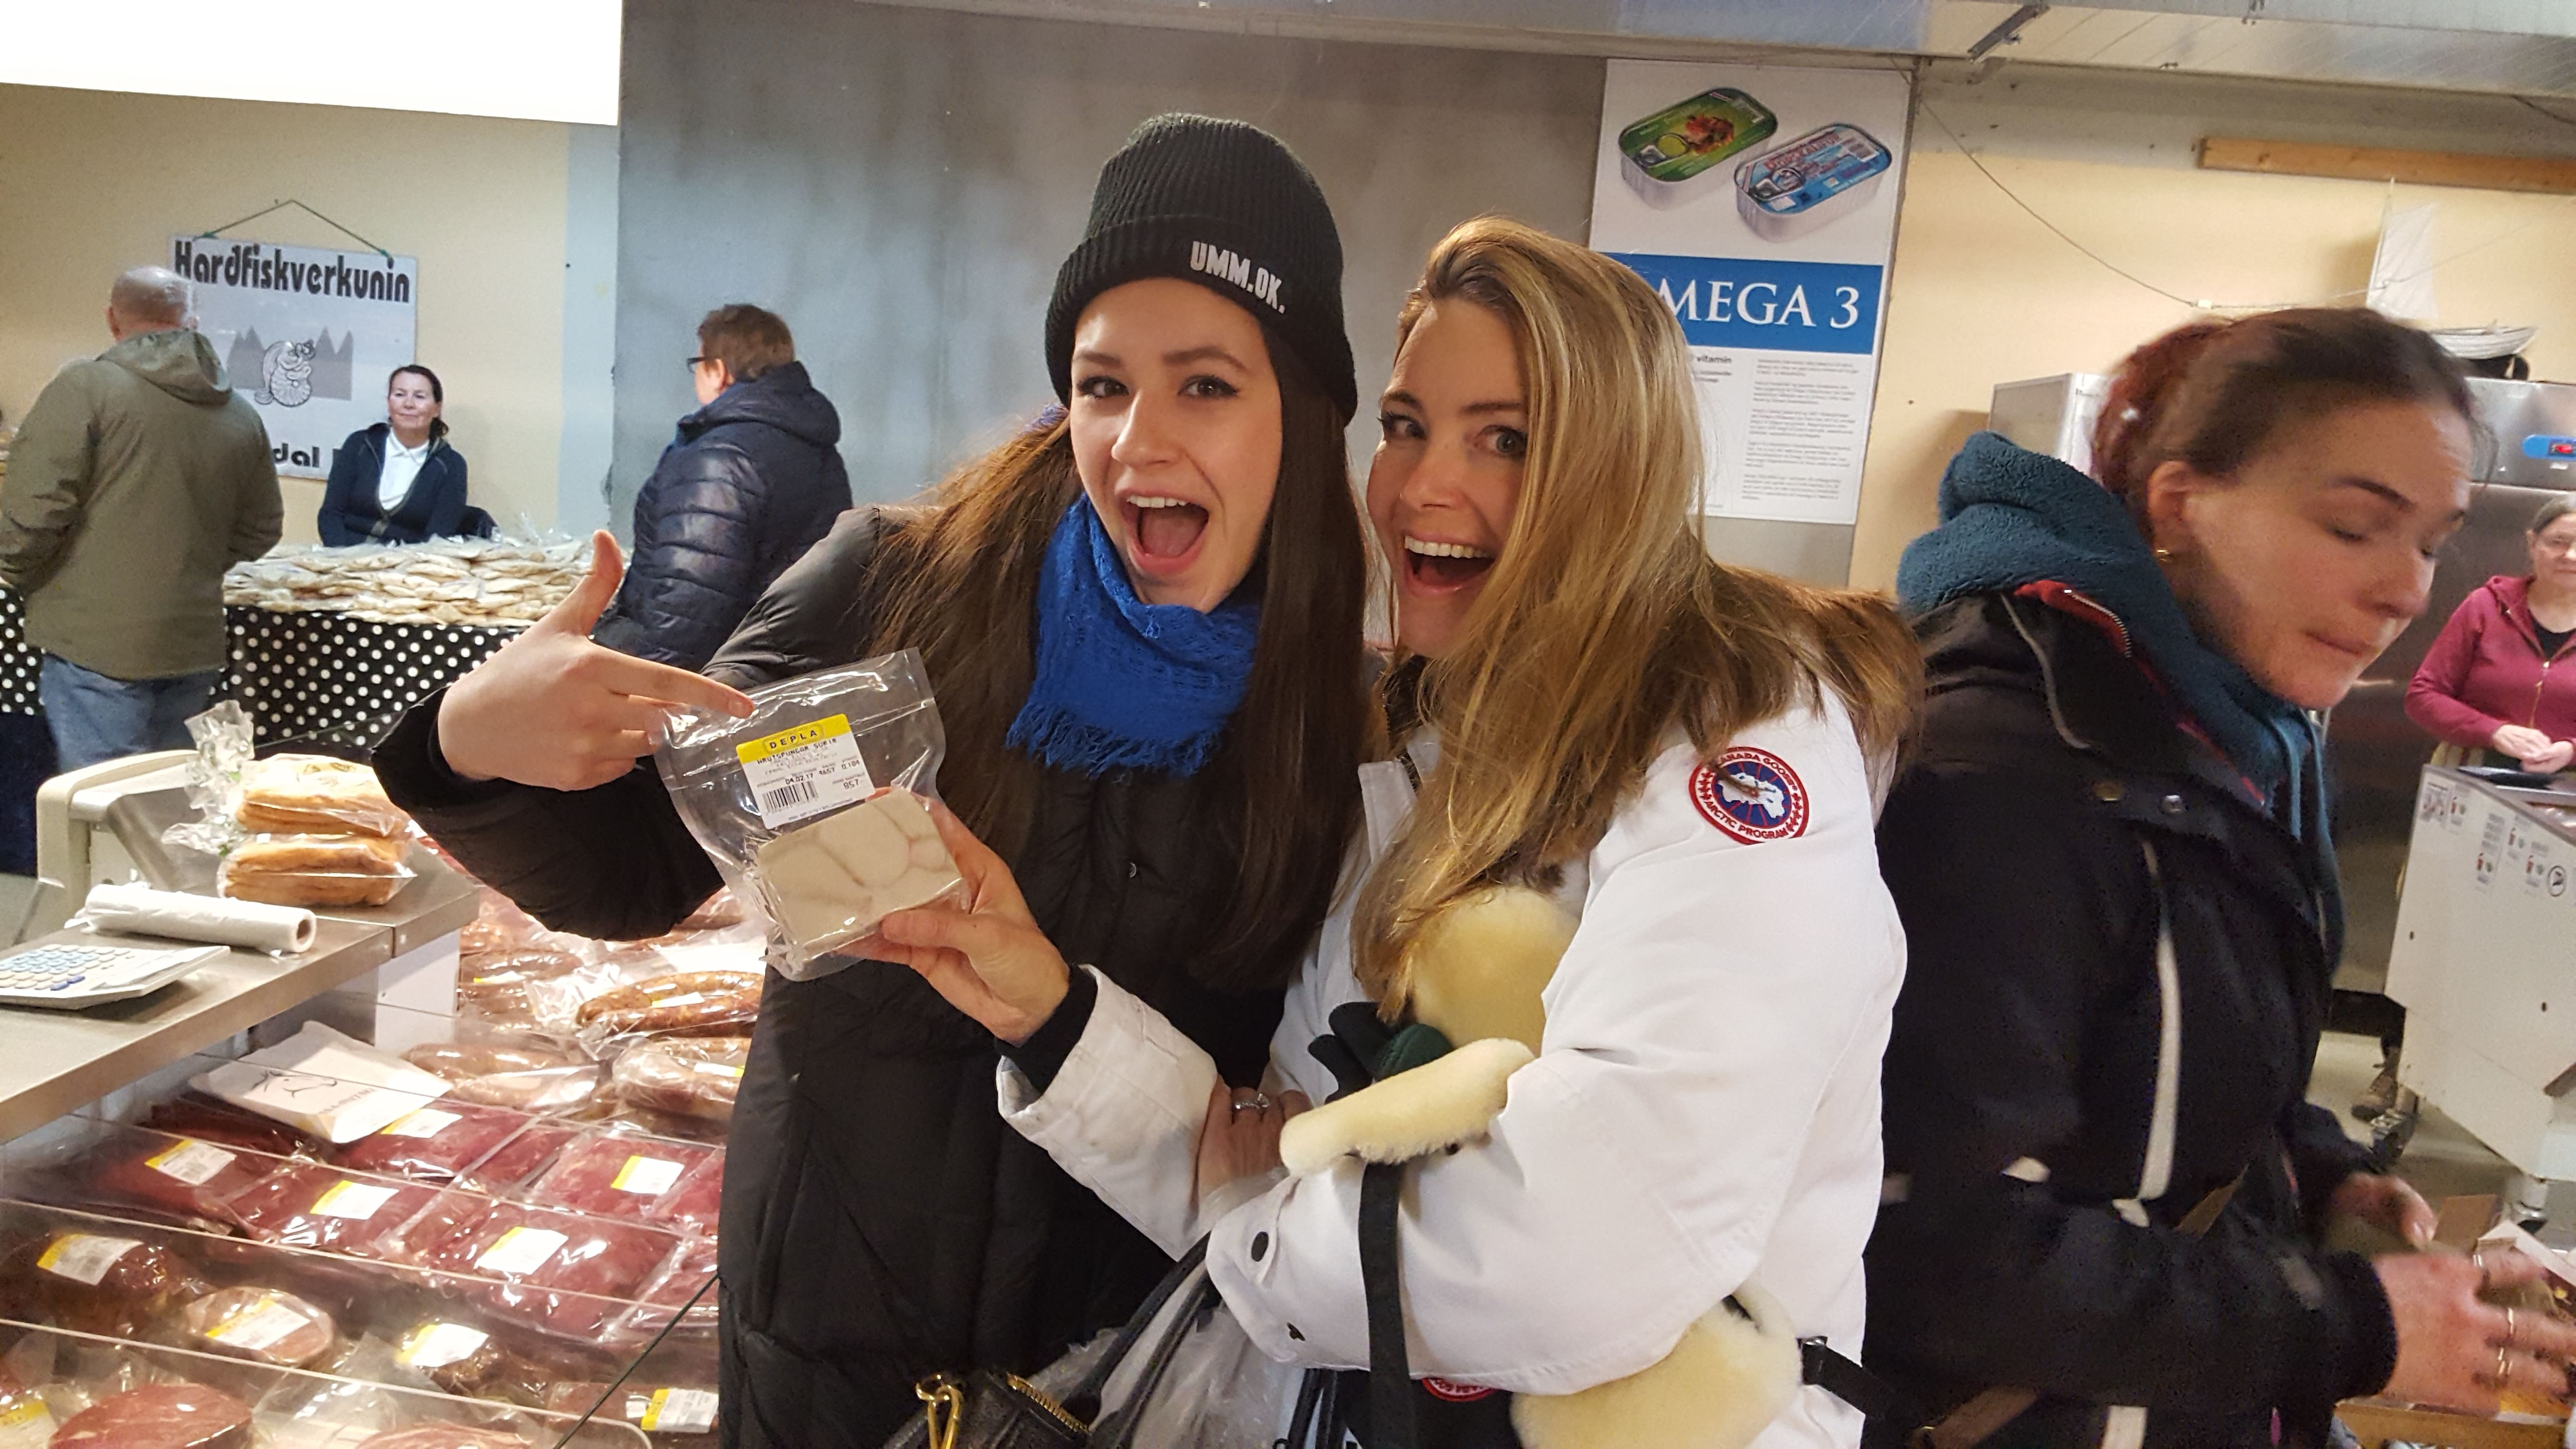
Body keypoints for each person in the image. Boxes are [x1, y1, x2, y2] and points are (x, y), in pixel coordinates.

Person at [371, 115, 1369, 1447]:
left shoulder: (1340, 715)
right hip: (828, 1351)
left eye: (1207, 385)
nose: (1137, 441)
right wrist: (464, 743)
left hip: (1130, 1377)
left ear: (1300, 412)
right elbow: (638, 869)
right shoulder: (893, 587)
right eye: (1103, 383)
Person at [873, 217, 1923, 1448]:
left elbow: (1592, 1234)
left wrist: (1263, 1239)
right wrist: (1047, 1008)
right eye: (1407, 423)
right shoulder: (1427, 752)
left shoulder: (1737, 747)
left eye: (1506, 439)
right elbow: (1278, 1134)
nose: (1423, 484)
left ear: (1616, 470)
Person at [1867, 309, 2576, 1448]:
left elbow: (2164, 1052)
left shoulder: (2225, 736)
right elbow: (1936, 1257)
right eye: (2352, 525)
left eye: (2432, 539)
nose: (2404, 590)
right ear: (2177, 504)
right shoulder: (2006, 772)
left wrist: (2314, 1172)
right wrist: (2351, 1321)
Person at [0, 266, 282, 773]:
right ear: (190, 321)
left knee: (98, 804)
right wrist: (187, 566)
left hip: (93, 639)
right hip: (192, 638)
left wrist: (19, 575)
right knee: (166, 802)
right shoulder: (240, 413)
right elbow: (262, 529)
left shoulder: (84, 387)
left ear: (112, 319)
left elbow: (35, 511)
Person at [590, 304, 854, 672]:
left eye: (698, 364)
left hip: (715, 673)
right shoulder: (814, 445)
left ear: (718, 372)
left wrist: (652, 692)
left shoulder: (721, 456)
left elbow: (690, 596)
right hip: (774, 668)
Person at [2406, 493, 2576, 774]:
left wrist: (2571, 750)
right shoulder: (2486, 606)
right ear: (2533, 544)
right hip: (2470, 777)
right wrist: (2494, 731)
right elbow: (2423, 696)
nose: (2570, 556)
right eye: (2558, 542)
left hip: (2566, 794)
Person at [317, 364, 473, 546]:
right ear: (389, 402)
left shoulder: (451, 465)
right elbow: (331, 515)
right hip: (343, 558)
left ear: (437, 409)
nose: (408, 404)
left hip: (406, 566)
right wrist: (343, 557)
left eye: (420, 397)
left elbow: (438, 538)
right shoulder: (359, 445)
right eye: (400, 395)